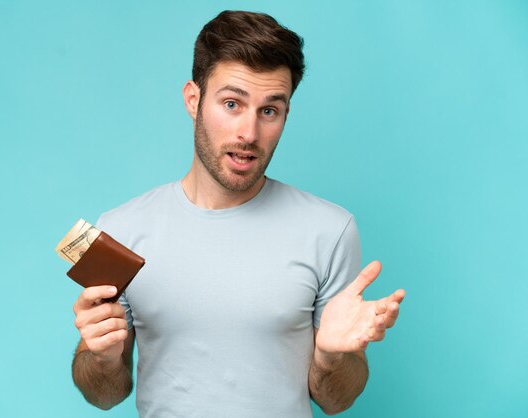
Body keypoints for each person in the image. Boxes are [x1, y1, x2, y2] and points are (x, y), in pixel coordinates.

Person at [71, 10, 405, 418]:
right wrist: (101, 359)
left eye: (270, 111)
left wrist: (332, 359)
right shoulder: (117, 230)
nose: (249, 132)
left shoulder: (331, 230)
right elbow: (103, 395)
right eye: (232, 103)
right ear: (193, 100)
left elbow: (336, 401)